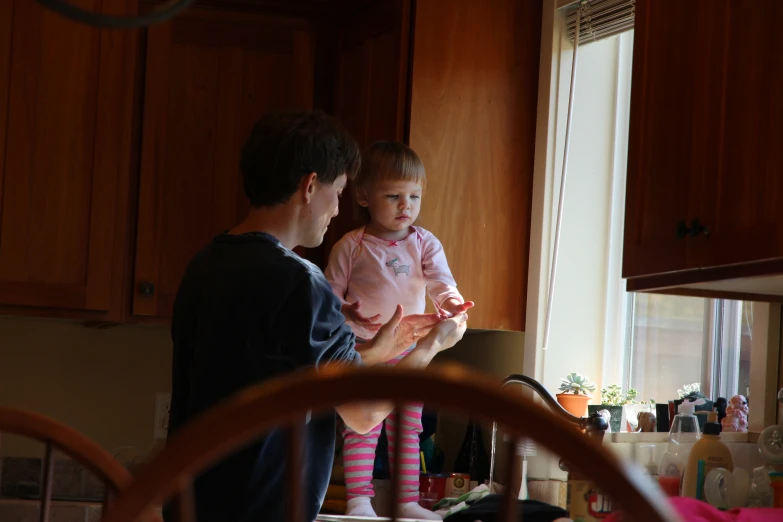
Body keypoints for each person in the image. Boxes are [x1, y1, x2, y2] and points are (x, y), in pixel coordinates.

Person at [166, 110, 468, 522]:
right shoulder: (300, 282)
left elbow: (285, 368)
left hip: (192, 508)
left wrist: (370, 349)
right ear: (310, 187)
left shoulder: (205, 264)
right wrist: (432, 344)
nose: (337, 208)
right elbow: (364, 415)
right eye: (339, 192)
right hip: (264, 512)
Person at [324, 141, 474, 520]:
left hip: (408, 348)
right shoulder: (350, 246)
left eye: (414, 196)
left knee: (408, 425)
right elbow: (325, 299)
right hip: (364, 349)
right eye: (393, 196)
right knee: (362, 427)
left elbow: (442, 282)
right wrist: (343, 308)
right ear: (363, 195)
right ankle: (360, 500)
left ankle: (405, 500)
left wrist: (453, 303)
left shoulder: (425, 243)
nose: (405, 206)